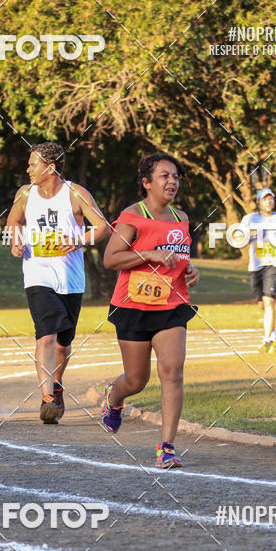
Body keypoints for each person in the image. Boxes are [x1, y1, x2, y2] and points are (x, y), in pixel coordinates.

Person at [101, 152, 199, 468]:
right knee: (136, 379)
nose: (172, 182)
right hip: (133, 307)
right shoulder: (133, 216)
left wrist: (190, 270)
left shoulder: (182, 218)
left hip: (171, 306)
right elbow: (111, 259)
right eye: (164, 176)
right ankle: (114, 398)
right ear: (147, 183)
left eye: (175, 177)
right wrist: (150, 255)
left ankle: (166, 446)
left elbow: (179, 257)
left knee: (172, 371)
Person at [7, 142, 110, 423]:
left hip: (70, 280)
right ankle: (47, 398)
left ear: (50, 168)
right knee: (46, 336)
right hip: (37, 274)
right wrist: (16, 242)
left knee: (63, 344)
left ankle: (57, 384)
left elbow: (103, 227)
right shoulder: (25, 194)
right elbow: (13, 221)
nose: (28, 169)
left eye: (33, 164)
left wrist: (78, 240)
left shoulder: (75, 194)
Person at [240, 187, 276, 351]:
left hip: (274, 264)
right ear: (258, 202)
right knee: (262, 304)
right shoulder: (249, 219)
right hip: (256, 265)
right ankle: (274, 334)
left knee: (269, 301)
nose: (269, 201)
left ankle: (267, 340)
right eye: (265, 199)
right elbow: (239, 239)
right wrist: (248, 236)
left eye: (271, 199)